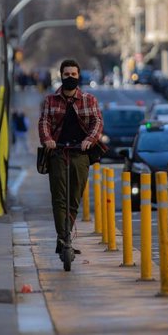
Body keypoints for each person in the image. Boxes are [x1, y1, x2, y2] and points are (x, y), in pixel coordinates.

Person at [38, 59, 105, 255]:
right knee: (59, 198)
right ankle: (64, 237)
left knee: (74, 198)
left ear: (79, 76)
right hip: (57, 153)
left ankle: (63, 236)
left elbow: (97, 122)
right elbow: (43, 123)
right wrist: (47, 139)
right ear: (61, 75)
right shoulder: (50, 100)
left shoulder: (89, 99)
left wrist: (90, 140)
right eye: (66, 74)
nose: (70, 78)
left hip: (80, 153)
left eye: (73, 75)